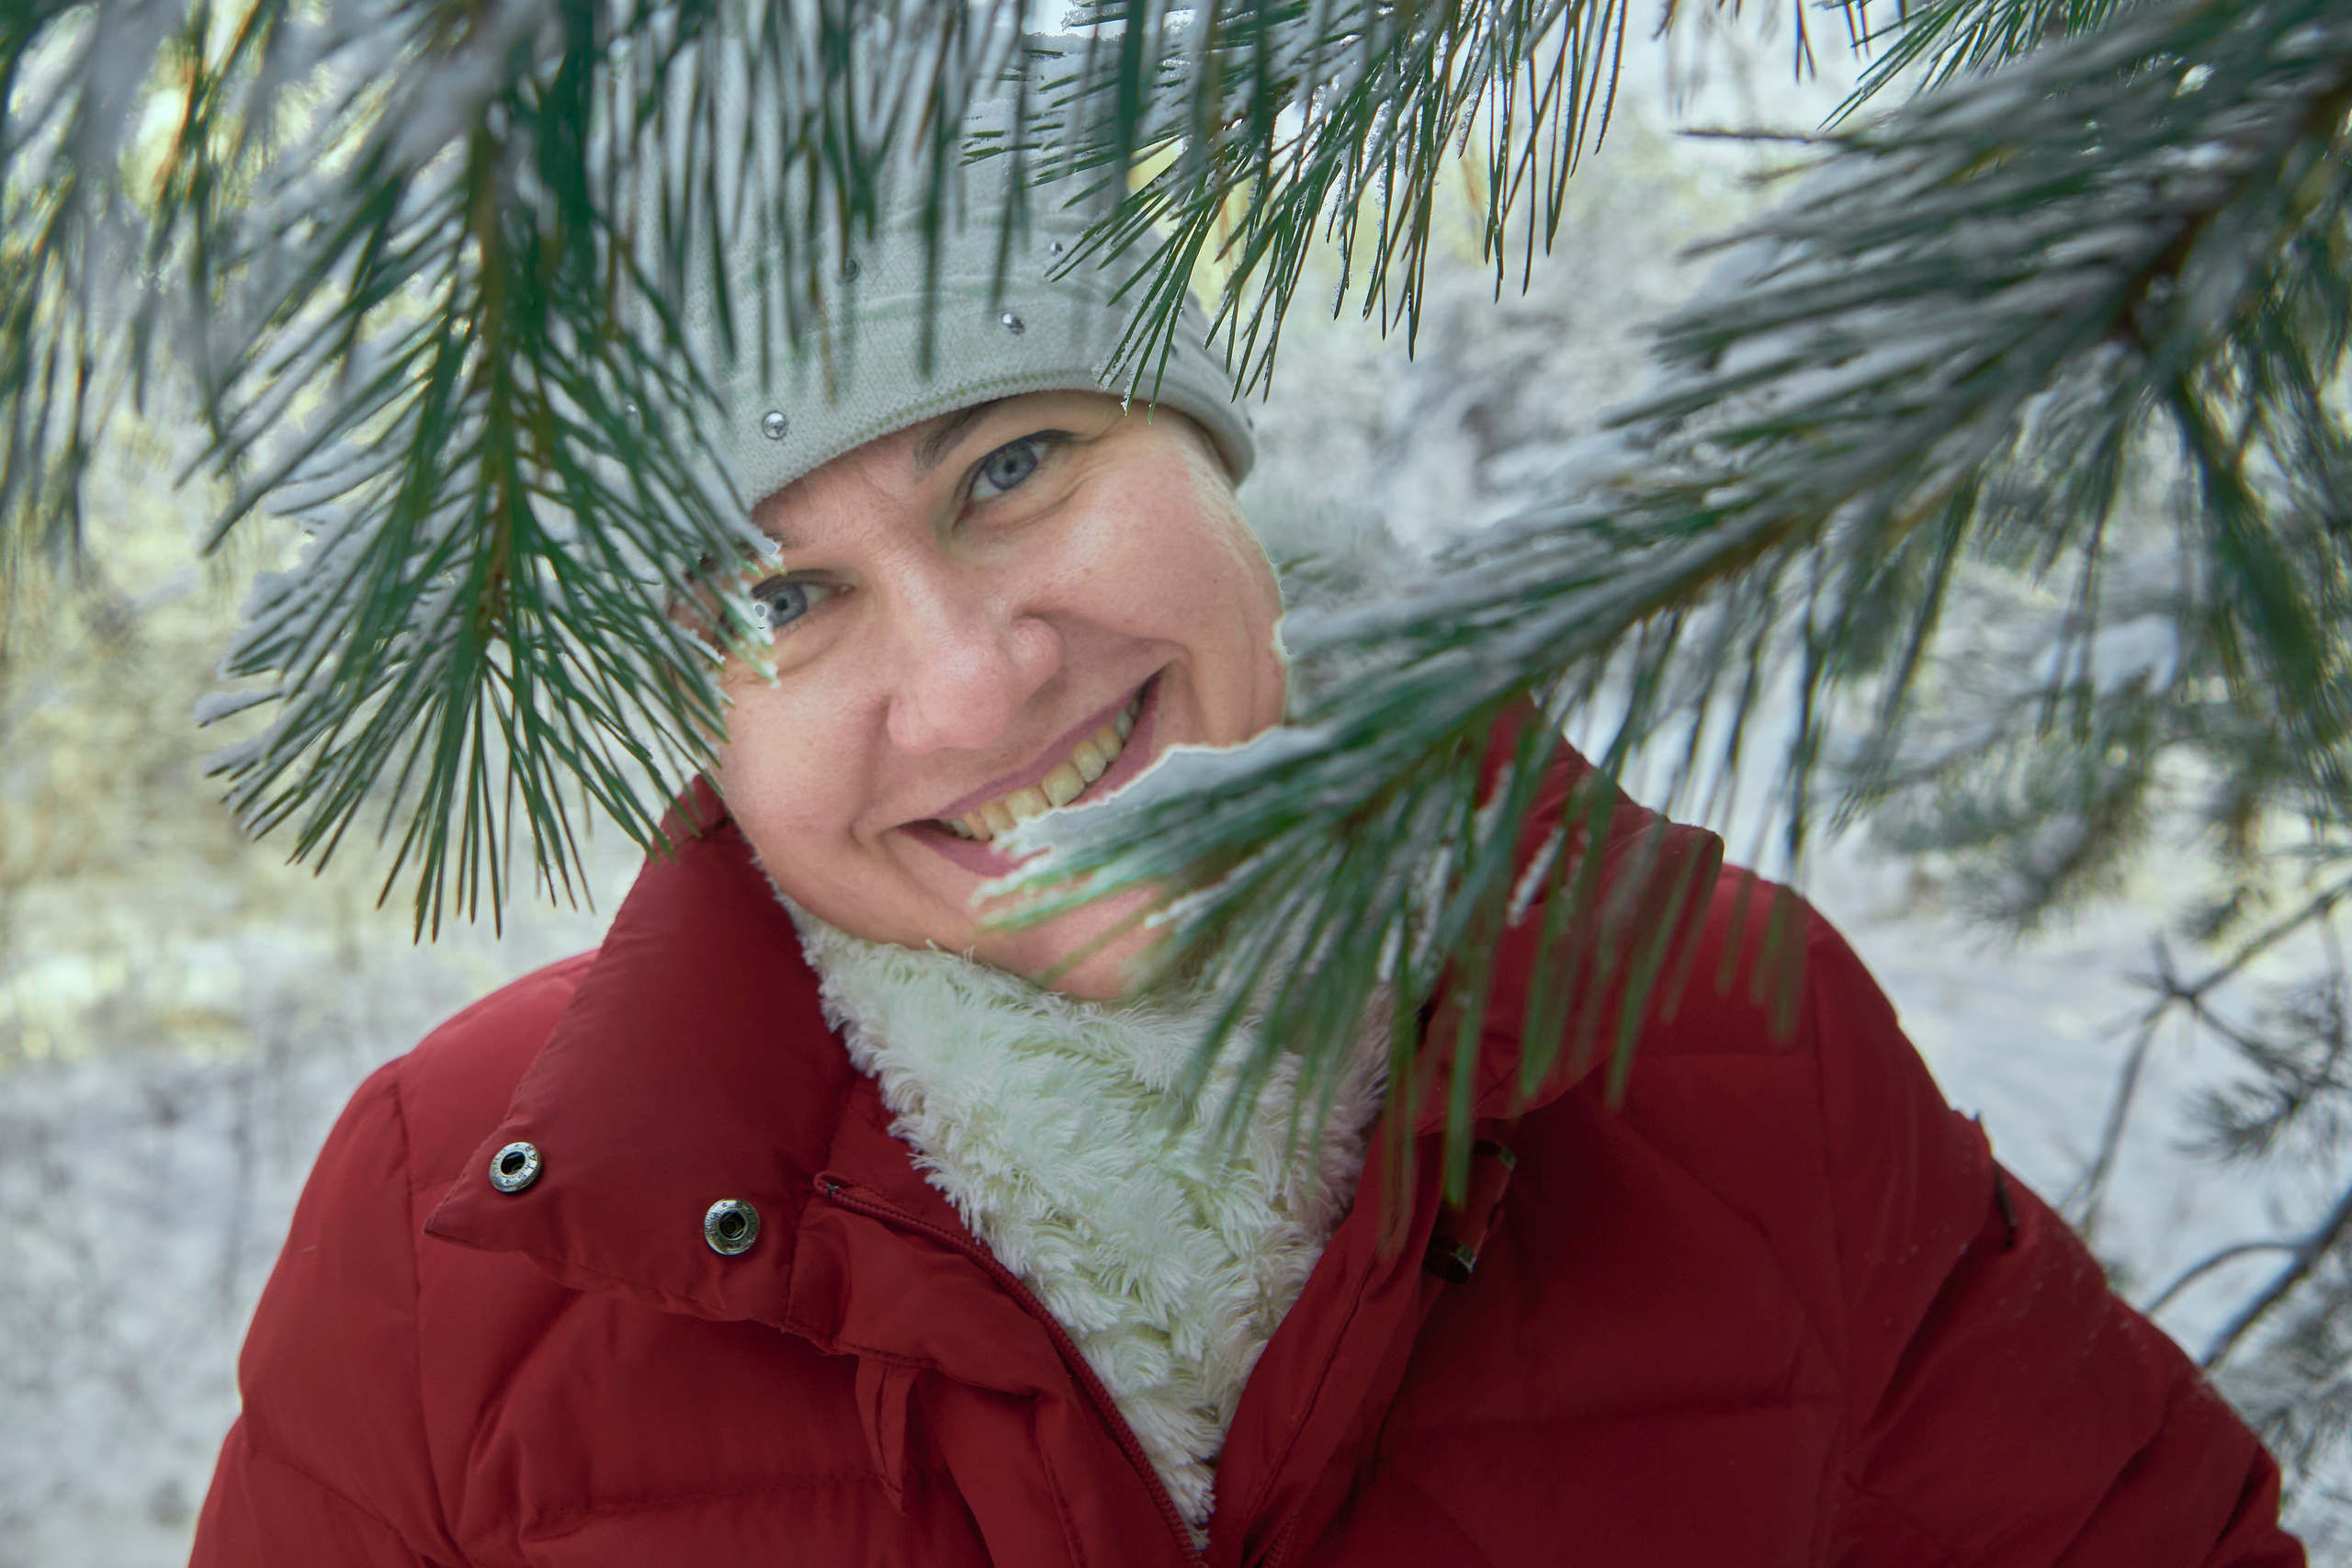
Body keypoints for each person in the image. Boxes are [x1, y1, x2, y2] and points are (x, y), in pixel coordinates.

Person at [191, 77, 2306, 1568]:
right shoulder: (450, 1207)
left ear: (1221, 470)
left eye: (1012, 463)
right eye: (779, 597)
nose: (975, 680)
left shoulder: (1723, 1036)